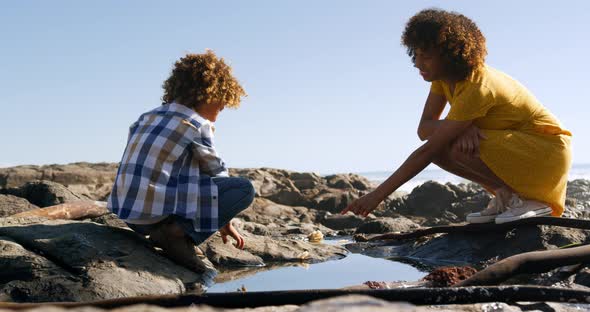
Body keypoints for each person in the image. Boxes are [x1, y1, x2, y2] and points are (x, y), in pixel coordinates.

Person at [342, 9, 572, 224]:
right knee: (444, 145)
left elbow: (427, 150)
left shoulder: (478, 87)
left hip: (545, 152)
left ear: (452, 55)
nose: (418, 63)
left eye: (427, 56)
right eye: (416, 54)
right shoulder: (444, 80)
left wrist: (377, 196)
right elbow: (424, 129)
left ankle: (532, 202)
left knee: (443, 147)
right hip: (517, 147)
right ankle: (507, 195)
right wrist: (459, 127)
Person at [107, 50, 255, 275]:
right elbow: (218, 174)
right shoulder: (196, 124)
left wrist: (222, 220)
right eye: (222, 99)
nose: (224, 106)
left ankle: (171, 230)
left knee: (193, 174)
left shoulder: (146, 117)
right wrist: (224, 216)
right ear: (207, 93)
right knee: (243, 189)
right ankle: (175, 234)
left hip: (129, 215)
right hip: (155, 216)